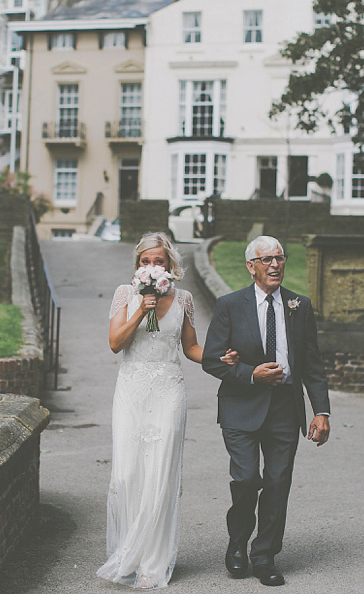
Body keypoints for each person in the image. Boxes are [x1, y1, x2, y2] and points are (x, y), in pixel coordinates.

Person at [98, 231, 236, 590]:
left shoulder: (184, 299)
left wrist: (219, 357)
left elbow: (190, 347)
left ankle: (153, 562)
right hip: (131, 388)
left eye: (159, 261)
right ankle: (130, 552)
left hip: (168, 391)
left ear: (170, 265)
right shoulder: (125, 295)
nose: (152, 266)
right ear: (138, 266)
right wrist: (141, 310)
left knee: (159, 476)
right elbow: (115, 343)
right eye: (146, 261)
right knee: (128, 474)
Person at [201, 235, 331, 587]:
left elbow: (313, 364)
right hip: (241, 406)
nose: (275, 264)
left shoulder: (299, 305)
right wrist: (250, 374)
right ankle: (238, 541)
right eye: (267, 259)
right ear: (251, 267)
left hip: (285, 408)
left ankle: (264, 556)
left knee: (277, 482)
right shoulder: (230, 304)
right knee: (245, 479)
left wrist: (322, 411)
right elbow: (212, 359)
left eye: (280, 257)